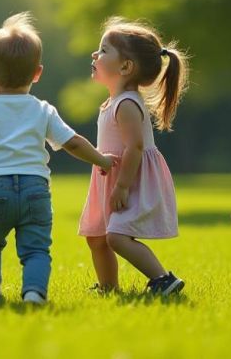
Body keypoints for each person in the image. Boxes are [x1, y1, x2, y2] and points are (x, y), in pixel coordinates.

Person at [0, 12, 116, 304]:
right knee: (37, 249)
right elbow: (73, 143)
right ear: (37, 73)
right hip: (35, 190)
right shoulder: (42, 110)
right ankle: (33, 292)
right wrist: (102, 160)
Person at [79, 17, 189, 296]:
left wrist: (123, 185)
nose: (95, 54)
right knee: (97, 237)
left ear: (126, 67)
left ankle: (163, 279)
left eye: (103, 50)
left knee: (116, 236)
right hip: (111, 176)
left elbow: (135, 147)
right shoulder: (113, 101)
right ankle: (108, 286)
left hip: (130, 178)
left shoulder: (127, 104)